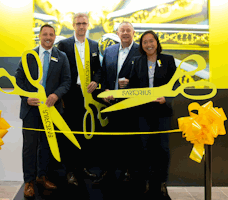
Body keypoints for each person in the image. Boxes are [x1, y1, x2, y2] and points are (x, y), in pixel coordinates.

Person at [15, 24, 71, 198]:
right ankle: (29, 182)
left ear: (55, 37)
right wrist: (26, 98)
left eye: (51, 35)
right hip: (31, 110)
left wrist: (56, 95)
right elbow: (18, 81)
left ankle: (42, 177)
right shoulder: (28, 56)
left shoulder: (61, 57)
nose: (48, 37)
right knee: (30, 147)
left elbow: (67, 81)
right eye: (45, 34)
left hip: (51, 109)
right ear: (39, 36)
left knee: (46, 146)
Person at [129, 30, 177, 199]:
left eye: (151, 41)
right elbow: (132, 87)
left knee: (162, 149)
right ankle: (147, 183)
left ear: (157, 42)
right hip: (143, 112)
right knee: (144, 148)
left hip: (162, 112)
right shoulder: (137, 61)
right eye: (144, 42)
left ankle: (162, 183)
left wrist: (167, 98)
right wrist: (118, 92)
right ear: (141, 45)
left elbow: (176, 85)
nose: (148, 44)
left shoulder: (168, 60)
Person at [57, 13, 102, 186]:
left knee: (85, 134)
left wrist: (96, 81)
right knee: (70, 134)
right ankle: (70, 172)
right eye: (78, 23)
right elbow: (59, 71)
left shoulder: (94, 45)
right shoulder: (64, 44)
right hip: (70, 95)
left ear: (88, 25)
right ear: (73, 25)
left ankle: (82, 168)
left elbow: (98, 69)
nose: (81, 26)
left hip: (89, 96)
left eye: (84, 23)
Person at [96, 22, 141, 184]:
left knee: (130, 142)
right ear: (117, 33)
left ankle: (129, 173)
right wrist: (103, 90)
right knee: (110, 142)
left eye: (128, 30)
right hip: (110, 104)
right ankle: (108, 173)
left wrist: (130, 84)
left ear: (133, 33)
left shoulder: (140, 51)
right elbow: (102, 73)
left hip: (131, 106)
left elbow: (144, 78)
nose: (125, 33)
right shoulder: (109, 51)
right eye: (122, 30)